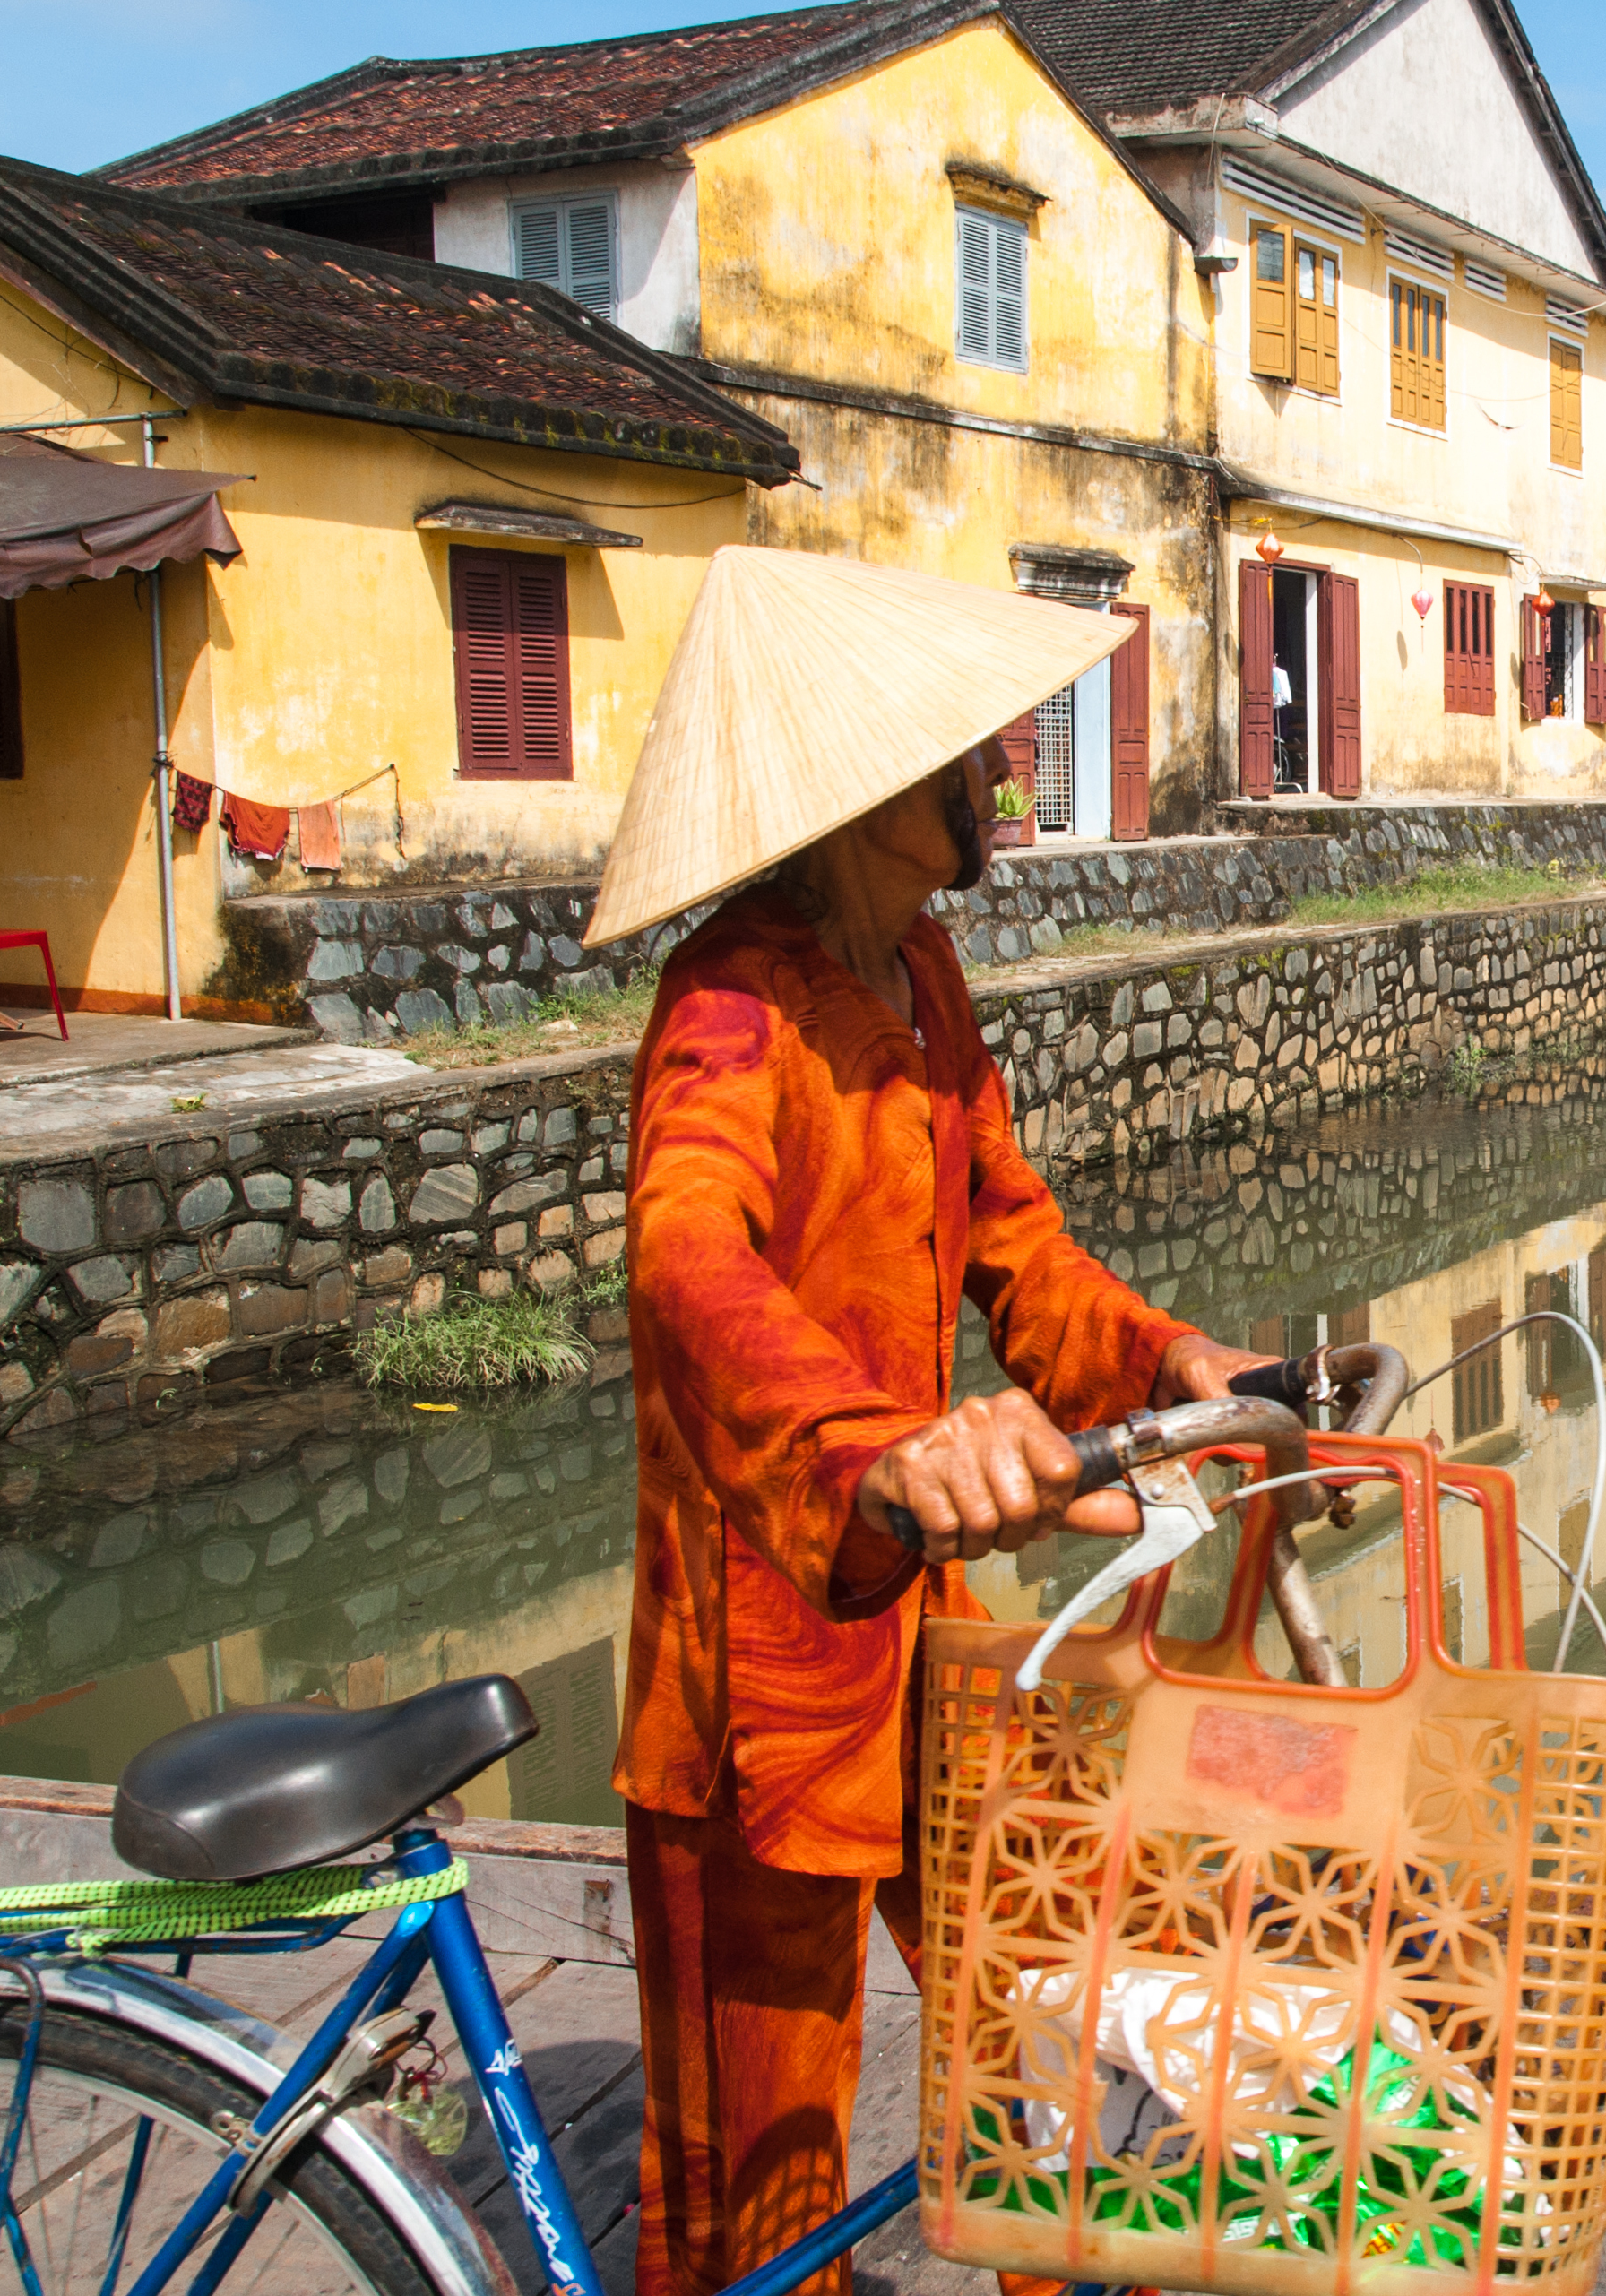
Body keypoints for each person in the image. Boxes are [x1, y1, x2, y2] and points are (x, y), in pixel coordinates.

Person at [586, 547, 1268, 2296]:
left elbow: (1016, 1242)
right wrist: (866, 1445)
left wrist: (1173, 1368)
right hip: (762, 1670)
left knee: (1025, 2011)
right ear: (875, 782)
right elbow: (684, 1257)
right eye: (970, 751)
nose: (1001, 770)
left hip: (923, 1622)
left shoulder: (921, 977)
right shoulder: (732, 1006)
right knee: (759, 2167)